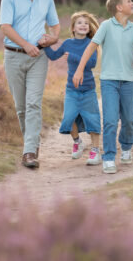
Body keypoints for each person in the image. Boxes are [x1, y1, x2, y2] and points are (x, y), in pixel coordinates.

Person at [0, 0, 60, 169]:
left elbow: (55, 24)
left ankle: (29, 151)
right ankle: (32, 144)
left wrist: (54, 38)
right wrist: (25, 45)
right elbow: (5, 27)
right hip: (14, 56)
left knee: (34, 103)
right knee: (21, 107)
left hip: (39, 57)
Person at [73, 0, 133, 175]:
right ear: (119, 7)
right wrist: (80, 69)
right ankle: (109, 157)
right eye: (129, 1)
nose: (132, 3)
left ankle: (126, 147)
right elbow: (91, 47)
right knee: (110, 120)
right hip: (109, 80)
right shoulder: (106, 26)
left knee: (129, 119)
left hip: (129, 81)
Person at [44, 11, 102, 166]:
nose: (83, 25)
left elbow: (92, 64)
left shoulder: (92, 43)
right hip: (71, 89)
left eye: (86, 23)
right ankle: (77, 142)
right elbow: (54, 56)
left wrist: (73, 57)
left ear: (89, 28)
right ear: (73, 28)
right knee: (69, 119)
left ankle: (95, 151)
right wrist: (44, 44)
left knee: (92, 120)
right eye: (79, 23)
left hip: (88, 89)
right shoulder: (68, 44)